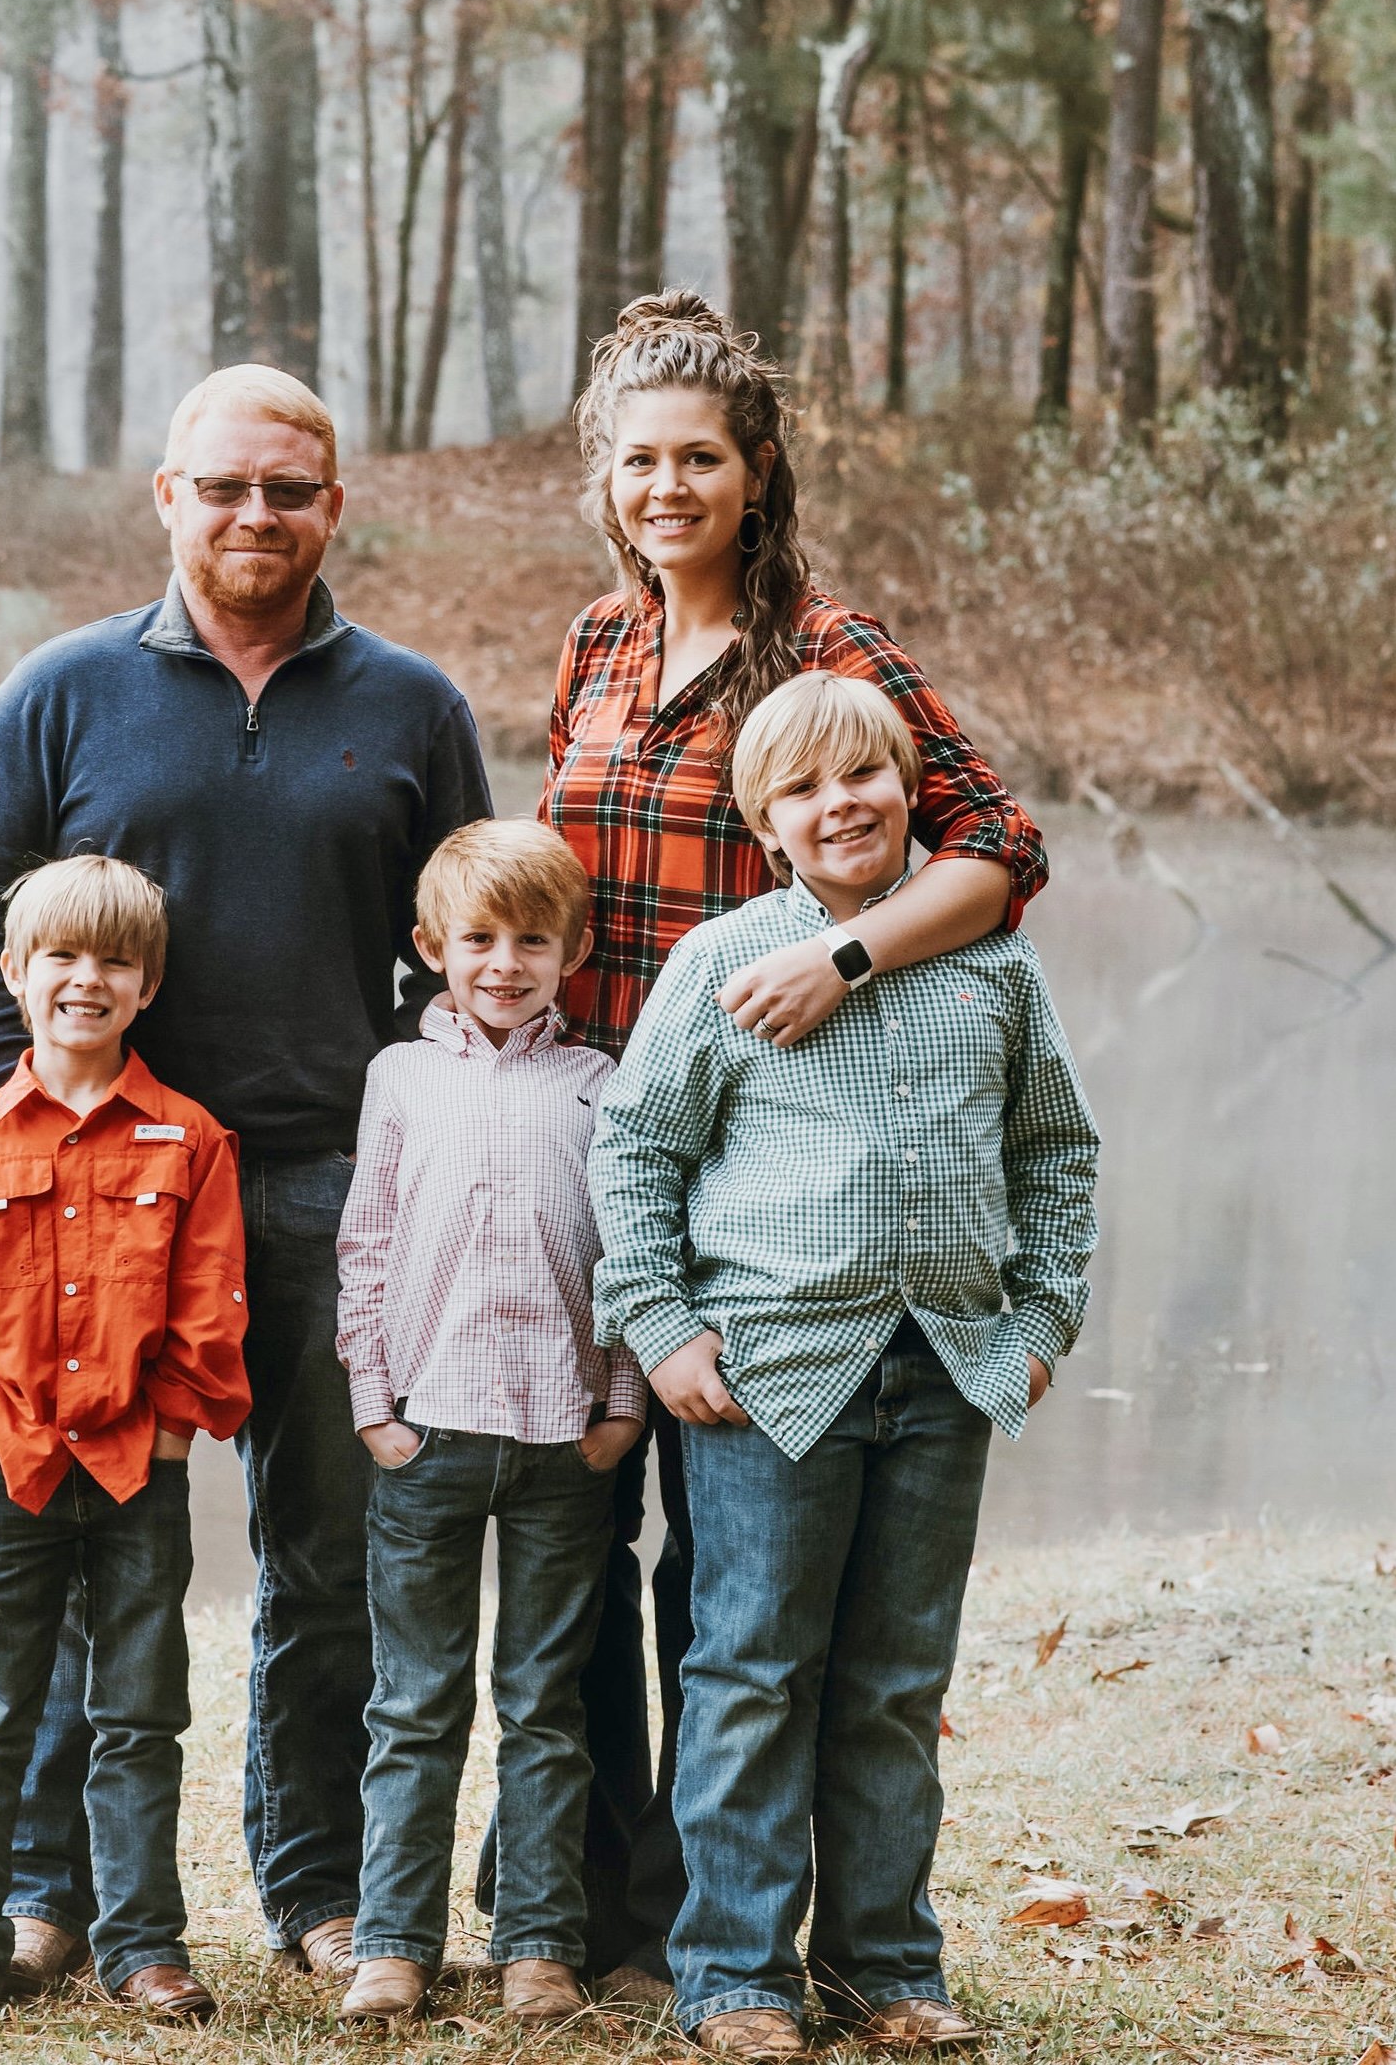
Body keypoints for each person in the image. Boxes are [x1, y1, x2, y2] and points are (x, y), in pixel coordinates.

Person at [0, 365, 490, 1993]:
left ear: (332, 506)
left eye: (288, 491)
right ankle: (51, 1899)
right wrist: (39, 1123)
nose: (255, 516)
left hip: (322, 1195)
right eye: (223, 486)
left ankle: (311, 1890)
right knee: (75, 1562)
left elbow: (459, 948)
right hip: (92, 1208)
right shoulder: (62, 691)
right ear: (165, 496)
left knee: (330, 1564)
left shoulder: (410, 709)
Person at [540, 293, 1050, 1997]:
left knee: (739, 1596)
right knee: (580, 1543)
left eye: (700, 459)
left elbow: (992, 850)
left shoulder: (821, 648)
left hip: (786, 1148)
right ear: (605, 482)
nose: (667, 489)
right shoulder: (593, 651)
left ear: (754, 474)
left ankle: (745, 1950)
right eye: (640, 464)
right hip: (612, 1131)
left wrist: (838, 959)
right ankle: (609, 1915)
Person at [591, 675, 1098, 2055]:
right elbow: (634, 1148)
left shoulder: (987, 960)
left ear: (907, 788)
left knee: (891, 1682)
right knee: (753, 1671)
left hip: (944, 1367)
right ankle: (735, 1975)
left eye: (863, 777)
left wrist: (1042, 1320)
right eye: (805, 791)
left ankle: (884, 1966)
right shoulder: (721, 963)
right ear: (766, 823)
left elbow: (1054, 1149)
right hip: (768, 1372)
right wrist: (662, 1322)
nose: (841, 807)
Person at [0, 856, 251, 2029]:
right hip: (8, 1470)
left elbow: (210, 1301)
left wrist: (166, 1433)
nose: (85, 980)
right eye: (60, 957)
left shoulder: (189, 1139)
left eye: (113, 961)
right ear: (14, 973)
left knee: (139, 1717)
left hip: (136, 1474)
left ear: (147, 985)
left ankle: (142, 1941)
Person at [334, 821, 648, 2029]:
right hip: (428, 1434)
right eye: (479, 938)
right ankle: (394, 1944)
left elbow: (629, 1258)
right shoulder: (401, 1077)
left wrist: (622, 1404)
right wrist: (373, 1405)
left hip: (565, 1444)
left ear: (575, 949)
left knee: (546, 1706)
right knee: (414, 1704)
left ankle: (537, 1947)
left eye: (532, 939)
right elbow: (363, 1250)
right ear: (433, 948)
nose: (505, 961)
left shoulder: (601, 1085)